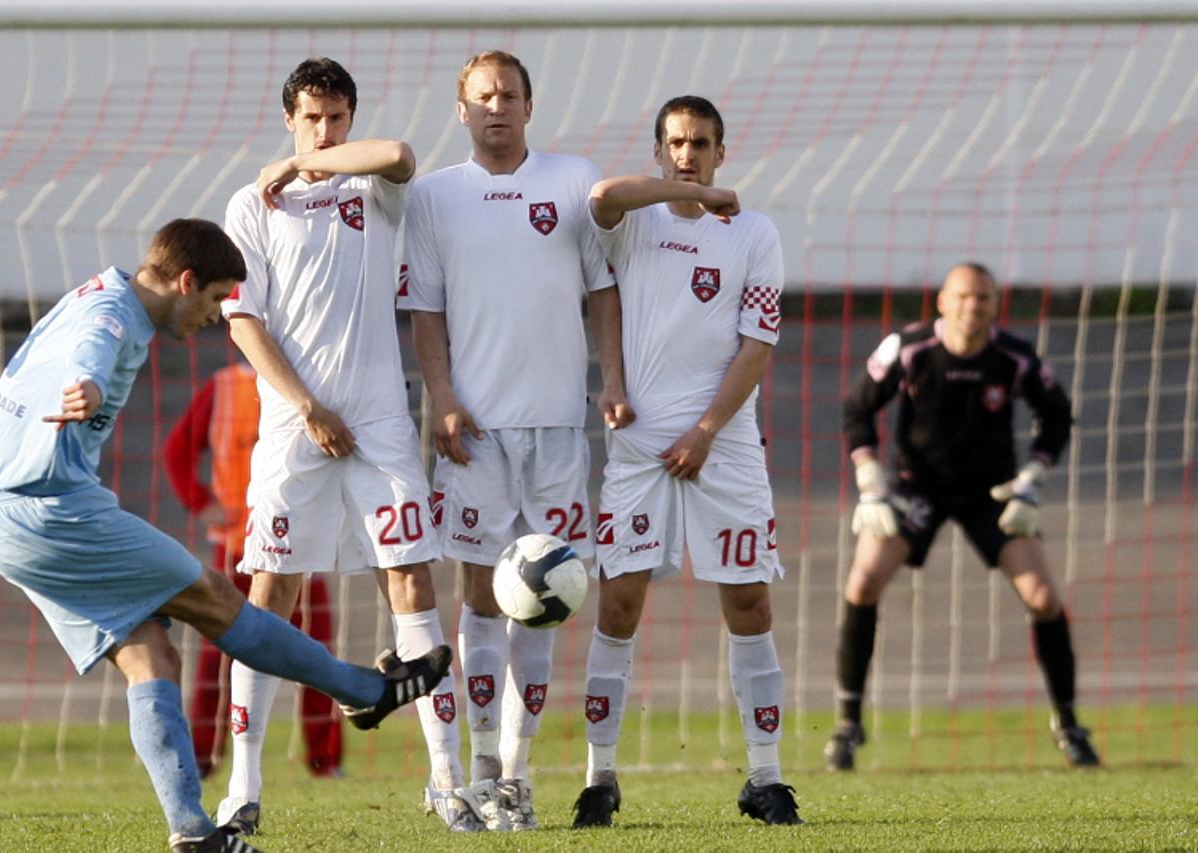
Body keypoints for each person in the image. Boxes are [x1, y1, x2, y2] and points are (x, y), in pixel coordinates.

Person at [0, 218, 451, 853]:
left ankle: (194, 834)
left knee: (150, 654)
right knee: (218, 600)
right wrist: (87, 385)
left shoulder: (96, 291)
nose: (217, 315)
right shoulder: (112, 317)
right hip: (51, 509)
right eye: (214, 298)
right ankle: (366, 692)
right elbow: (92, 347)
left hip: (0, 519)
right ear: (186, 281)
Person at [216, 57, 463, 836]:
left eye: (335, 117)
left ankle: (448, 780)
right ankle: (244, 788)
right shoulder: (251, 205)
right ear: (287, 113)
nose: (325, 128)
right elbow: (243, 319)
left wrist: (303, 161)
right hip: (295, 426)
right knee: (270, 596)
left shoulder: (369, 188)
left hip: (382, 421)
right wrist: (306, 405)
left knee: (412, 583)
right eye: (310, 118)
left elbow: (401, 155)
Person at [401, 50, 631, 831]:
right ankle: (479, 766)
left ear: (530, 106)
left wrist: (613, 380)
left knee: (547, 601)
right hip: (475, 429)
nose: (496, 106)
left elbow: (604, 291)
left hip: (561, 425)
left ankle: (519, 774)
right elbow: (424, 311)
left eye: (509, 94)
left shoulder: (573, 180)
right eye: (482, 96)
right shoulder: (433, 198)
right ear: (460, 109)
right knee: (479, 596)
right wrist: (442, 396)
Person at [570, 96, 802, 829]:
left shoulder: (757, 234)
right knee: (618, 604)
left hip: (725, 444)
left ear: (722, 150)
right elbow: (603, 194)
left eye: (700, 144)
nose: (687, 153)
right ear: (661, 147)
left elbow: (756, 345)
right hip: (638, 443)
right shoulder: (637, 217)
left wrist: (705, 429)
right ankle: (599, 775)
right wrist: (690, 193)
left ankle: (765, 774)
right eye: (675, 143)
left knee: (750, 603)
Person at [827, 262, 1099, 770]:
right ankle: (847, 726)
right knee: (862, 584)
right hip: (918, 488)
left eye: (985, 298)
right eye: (965, 296)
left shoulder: (1013, 357)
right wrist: (869, 477)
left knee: (1044, 598)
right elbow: (856, 409)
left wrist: (1032, 480)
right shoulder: (907, 348)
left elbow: (1057, 414)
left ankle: (1069, 725)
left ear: (995, 305)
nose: (974, 306)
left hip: (989, 493)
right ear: (943, 303)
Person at [163, 361, 343, 780]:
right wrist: (199, 501)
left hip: (297, 543)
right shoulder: (225, 386)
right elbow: (177, 449)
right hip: (237, 546)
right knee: (219, 658)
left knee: (316, 649)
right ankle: (203, 759)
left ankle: (325, 761)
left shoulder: (309, 384)